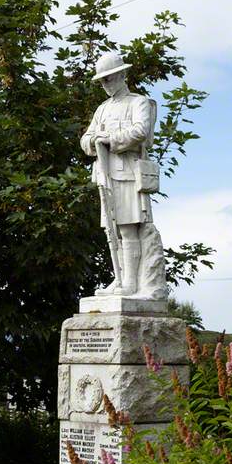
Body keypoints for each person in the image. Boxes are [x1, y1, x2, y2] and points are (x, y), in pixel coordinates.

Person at [80, 52, 167, 299]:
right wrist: (93, 141)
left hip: (127, 173)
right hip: (105, 175)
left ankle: (130, 282)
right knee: (113, 229)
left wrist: (110, 139)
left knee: (129, 228)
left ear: (121, 75)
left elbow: (141, 131)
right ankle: (118, 278)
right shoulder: (102, 110)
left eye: (109, 78)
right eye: (102, 81)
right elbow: (85, 139)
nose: (106, 84)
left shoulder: (138, 102)